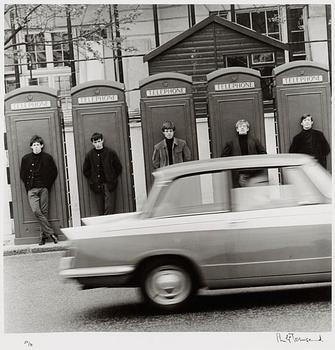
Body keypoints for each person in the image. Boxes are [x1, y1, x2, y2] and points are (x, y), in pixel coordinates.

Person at [20, 135, 58, 245]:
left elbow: (54, 172)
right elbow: (22, 174)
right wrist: (28, 187)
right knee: (36, 211)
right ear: (31, 147)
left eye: (38, 145)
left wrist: (47, 185)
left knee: (44, 212)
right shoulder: (25, 159)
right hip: (32, 190)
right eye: (34, 145)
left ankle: (43, 237)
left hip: (44, 189)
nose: (36, 147)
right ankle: (51, 233)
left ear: (42, 146)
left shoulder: (47, 158)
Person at [83, 132, 122, 215]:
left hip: (109, 185)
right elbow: (86, 170)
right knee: (100, 209)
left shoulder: (110, 153)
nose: (97, 144)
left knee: (110, 208)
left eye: (99, 141)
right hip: (97, 185)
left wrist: (112, 177)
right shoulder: (89, 155)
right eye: (95, 142)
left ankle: (109, 226)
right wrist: (93, 179)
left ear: (102, 141)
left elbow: (118, 167)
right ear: (92, 143)